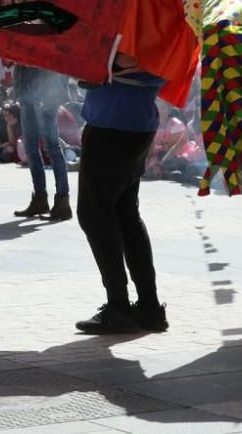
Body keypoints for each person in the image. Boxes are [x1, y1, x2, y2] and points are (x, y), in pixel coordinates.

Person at [74, 52, 167, 334]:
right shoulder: (159, 18)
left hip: (113, 122)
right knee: (124, 214)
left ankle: (118, 305)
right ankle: (148, 306)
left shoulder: (142, 18)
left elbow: (130, 57)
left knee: (94, 214)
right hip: (132, 120)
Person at [13, 65, 72, 221]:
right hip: (27, 91)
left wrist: (55, 93)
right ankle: (40, 199)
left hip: (46, 92)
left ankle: (62, 200)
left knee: (52, 146)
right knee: (31, 147)